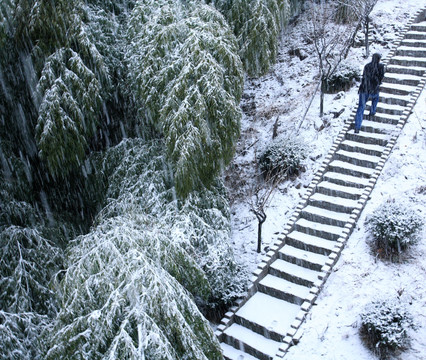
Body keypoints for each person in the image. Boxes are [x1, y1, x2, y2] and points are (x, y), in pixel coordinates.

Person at [354, 53, 385, 133]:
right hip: (373, 89)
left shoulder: (367, 66)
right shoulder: (380, 67)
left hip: (364, 89)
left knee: (361, 107)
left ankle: (357, 127)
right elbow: (381, 78)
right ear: (378, 59)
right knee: (375, 98)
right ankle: (372, 112)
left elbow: (364, 77)